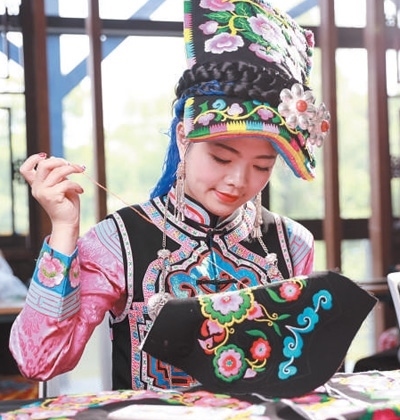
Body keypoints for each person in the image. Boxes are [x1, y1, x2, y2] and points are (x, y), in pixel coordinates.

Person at [9, 0, 329, 391]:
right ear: (182, 138)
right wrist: (63, 229)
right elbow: (39, 361)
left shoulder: (292, 243)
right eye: (221, 157)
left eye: (262, 166)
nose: (238, 181)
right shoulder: (118, 242)